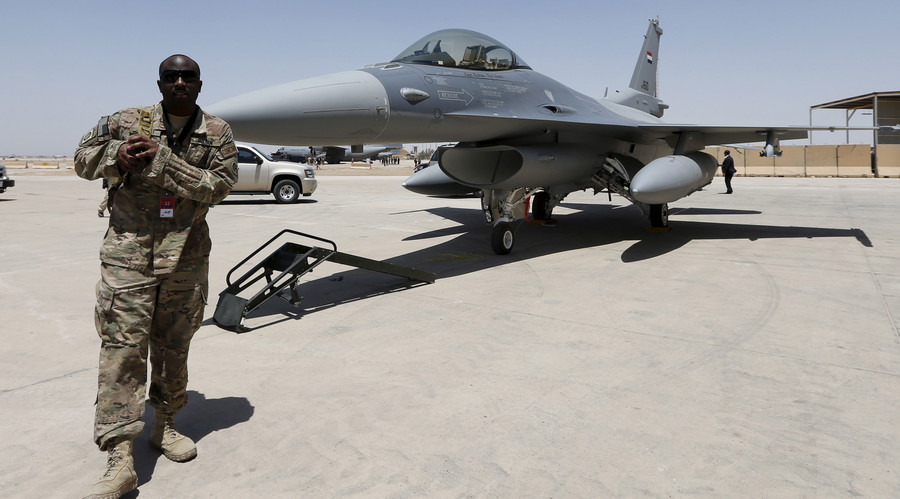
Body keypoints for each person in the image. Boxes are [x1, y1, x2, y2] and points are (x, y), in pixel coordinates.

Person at [75, 54, 238, 499]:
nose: (180, 82)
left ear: (200, 85)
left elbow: (220, 187)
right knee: (122, 351)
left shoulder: (218, 132)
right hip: (128, 257)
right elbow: (81, 159)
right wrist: (116, 156)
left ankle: (164, 426)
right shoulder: (125, 121)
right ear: (160, 83)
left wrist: (165, 161)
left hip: (186, 259)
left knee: (173, 347)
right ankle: (119, 456)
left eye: (188, 77)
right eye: (172, 76)